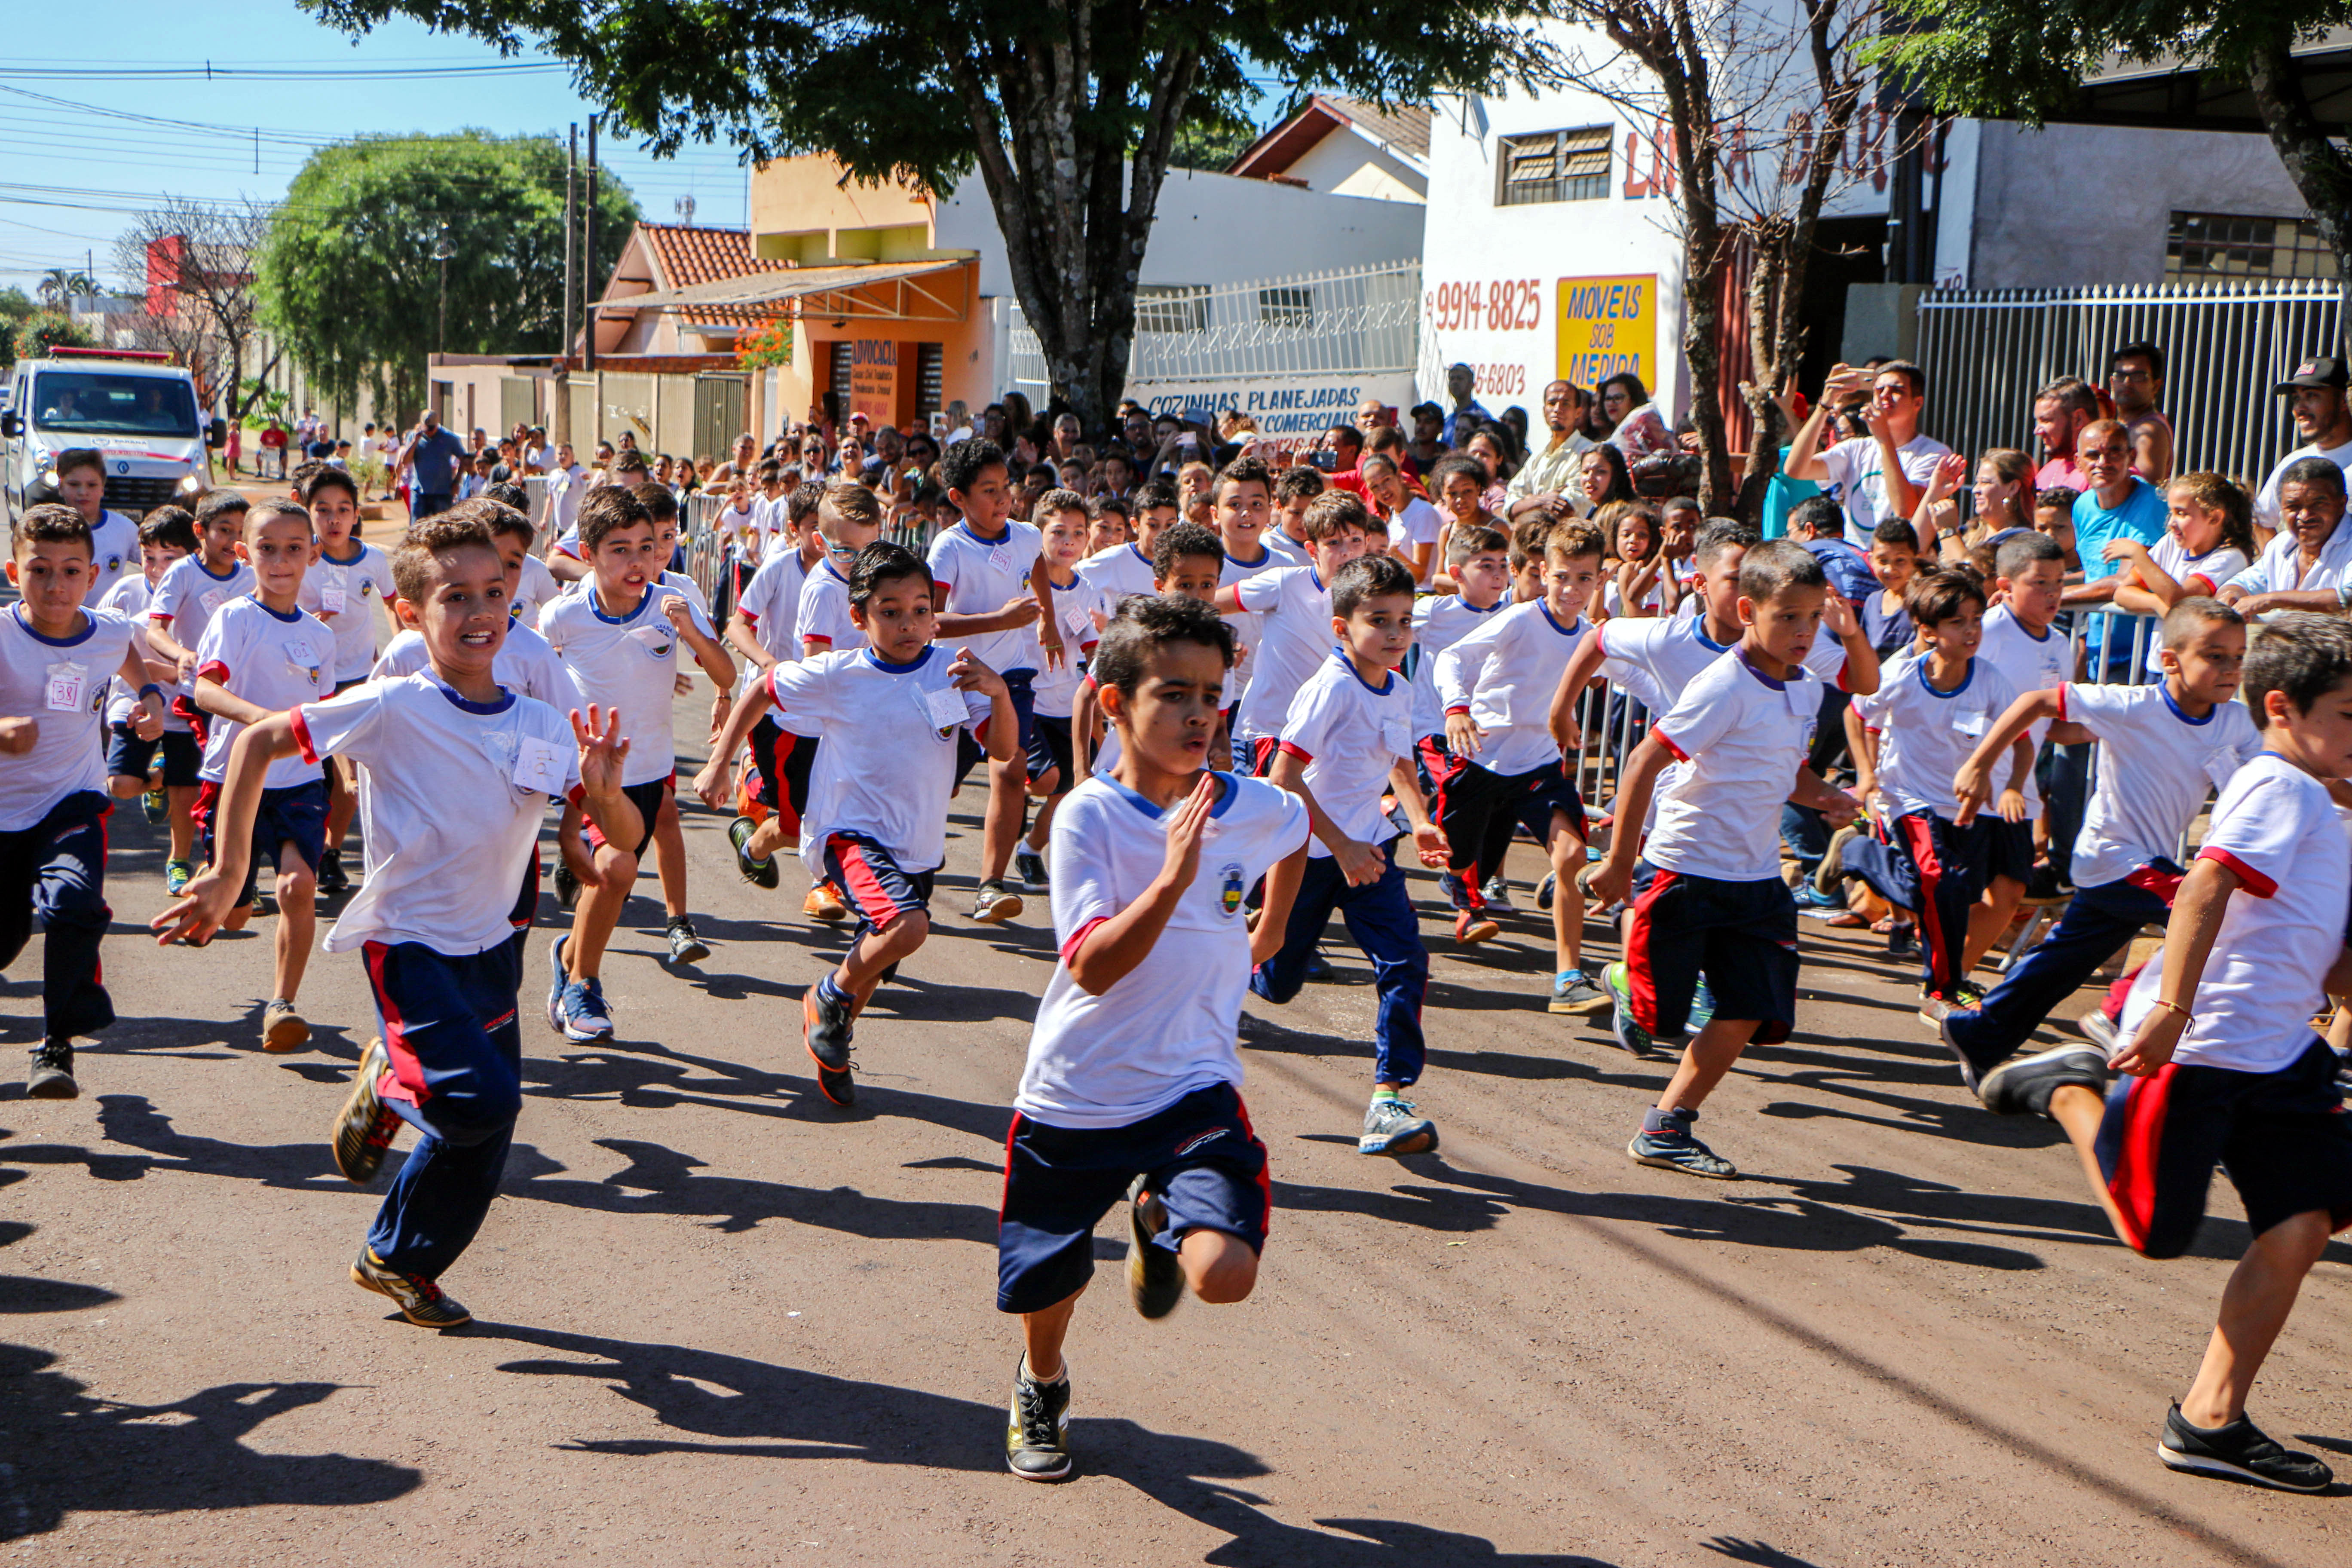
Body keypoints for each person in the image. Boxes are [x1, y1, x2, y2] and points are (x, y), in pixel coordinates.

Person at [157, 512, 640, 1330]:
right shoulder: (392, 704)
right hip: (408, 941)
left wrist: (601, 795)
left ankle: (398, 1256)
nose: (482, 609)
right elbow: (260, 741)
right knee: (478, 1102)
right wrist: (227, 867)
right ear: (412, 612)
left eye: (495, 591)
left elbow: (614, 845)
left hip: (493, 946)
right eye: (456, 596)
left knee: (488, 1124)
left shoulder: (538, 722)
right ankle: (388, 1080)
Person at [1964, 613, 2352, 1493]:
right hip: (2202, 1049)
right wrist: (2172, 1007)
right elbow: (2208, 882)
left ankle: (2210, 1421)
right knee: (2155, 1234)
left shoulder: (2325, 803)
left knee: (2305, 1221)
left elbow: (2323, 944)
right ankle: (2068, 1091)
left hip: (2281, 1057)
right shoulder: (2277, 786)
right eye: (2349, 713)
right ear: (2284, 709)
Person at [995, 594, 1307, 1483]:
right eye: (1174, 693)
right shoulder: (1088, 818)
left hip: (1192, 1089)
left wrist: (1274, 927)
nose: (1200, 714)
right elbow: (1093, 964)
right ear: (1113, 705)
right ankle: (1042, 1382)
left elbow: (1292, 829)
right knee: (1049, 1283)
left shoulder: (1243, 802)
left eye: (1212, 693)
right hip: (1079, 1093)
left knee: (1225, 1275)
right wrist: (1173, 878)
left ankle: (1161, 1220)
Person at [694, 542, 1017, 1108]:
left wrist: (1000, 693)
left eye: (920, 609)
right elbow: (763, 691)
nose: (908, 623)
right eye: (890, 611)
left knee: (879, 957)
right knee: (907, 929)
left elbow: (1005, 748)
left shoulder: (955, 671)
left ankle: (835, 1031)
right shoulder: (838, 673)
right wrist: (720, 761)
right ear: (859, 617)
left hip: (915, 846)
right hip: (847, 835)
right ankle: (826, 999)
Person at [1584, 541, 1864, 1179]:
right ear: (1747, 610)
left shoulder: (1806, 688)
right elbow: (1644, 761)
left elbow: (1783, 767)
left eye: (1813, 617)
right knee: (1662, 1019)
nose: (1803, 631)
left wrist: (1826, 796)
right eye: (1788, 616)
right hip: (1684, 870)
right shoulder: (1724, 685)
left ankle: (1667, 1126)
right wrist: (1621, 862)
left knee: (1748, 1008)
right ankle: (1628, 981)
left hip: (1758, 881)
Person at [1939, 597, 2259, 1078]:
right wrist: (1980, 763)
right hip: (2115, 860)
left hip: (2137, 866)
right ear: (2170, 660)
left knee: (2061, 966)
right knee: (2210, 916)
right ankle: (2118, 1011)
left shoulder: (2235, 722)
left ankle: (1978, 1035)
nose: (2230, 668)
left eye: (2238, 657)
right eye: (2215, 655)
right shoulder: (2134, 706)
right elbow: (2035, 702)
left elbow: (2273, 773)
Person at [1252, 553, 1448, 1152]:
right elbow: (1284, 775)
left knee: (1405, 961)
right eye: (1379, 621)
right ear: (1342, 627)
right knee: (1277, 982)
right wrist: (1340, 848)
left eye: (1405, 621)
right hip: (1308, 855)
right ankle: (1209, 969)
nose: (1395, 635)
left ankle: (1389, 1097)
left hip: (1371, 849)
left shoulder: (1399, 685)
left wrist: (1419, 823)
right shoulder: (1332, 687)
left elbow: (1399, 761)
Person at [539, 486, 733, 1040]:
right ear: (589, 553)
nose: (636, 561)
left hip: (649, 771)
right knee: (617, 868)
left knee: (614, 885)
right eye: (619, 549)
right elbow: (529, 671)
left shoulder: (673, 606)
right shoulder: (565, 614)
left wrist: (691, 632)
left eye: (646, 547)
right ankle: (583, 988)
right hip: (592, 773)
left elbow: (725, 676)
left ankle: (570, 959)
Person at [2, 505, 170, 1098]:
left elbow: (127, 652)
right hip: (3, 813)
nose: (56, 585)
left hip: (73, 800)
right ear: (13, 570)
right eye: (39, 570)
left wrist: (148, 694)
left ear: (92, 576)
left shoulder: (107, 630)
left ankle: (55, 1044)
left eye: (71, 571)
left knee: (74, 903)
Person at [1431, 520, 1609, 1012]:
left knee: (1572, 855)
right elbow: (1451, 656)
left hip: (1539, 765)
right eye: (1562, 577)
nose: (1572, 591)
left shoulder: (1593, 636)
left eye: (1585, 579)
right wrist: (1457, 708)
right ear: (1542, 573)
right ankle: (1458, 877)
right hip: (1483, 757)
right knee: (1461, 858)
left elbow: (1641, 675)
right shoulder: (1518, 619)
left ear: (1600, 581)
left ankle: (1569, 979)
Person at [1840, 570, 2031, 1012]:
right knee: (1937, 879)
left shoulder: (1990, 680)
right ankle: (1943, 984)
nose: (1972, 632)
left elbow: (2021, 741)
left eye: (1977, 620)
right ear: (1927, 631)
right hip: (1908, 798)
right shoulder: (1900, 675)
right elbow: (1857, 715)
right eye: (1958, 623)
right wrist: (1867, 777)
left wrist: (2014, 787)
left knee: (1954, 889)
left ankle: (1861, 855)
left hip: (1964, 806)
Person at [187, 498, 336, 1051]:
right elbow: (204, 689)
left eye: (294, 549)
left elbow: (323, 715)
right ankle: (229, 889)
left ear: (313, 555)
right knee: (234, 916)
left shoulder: (321, 636)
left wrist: (340, 769)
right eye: (267, 549)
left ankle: (283, 1004)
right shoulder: (236, 617)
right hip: (234, 779)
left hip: (300, 783)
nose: (280, 561)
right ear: (245, 553)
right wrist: (264, 725)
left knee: (299, 886)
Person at [926, 438, 1047, 925]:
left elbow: (1036, 564)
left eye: (1006, 488)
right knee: (938, 780)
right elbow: (928, 621)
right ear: (958, 498)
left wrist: (1052, 625)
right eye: (989, 491)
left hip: (1010, 673)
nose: (1003, 499)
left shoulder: (1025, 535)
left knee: (1011, 766)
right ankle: (915, 852)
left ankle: (990, 886)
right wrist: (999, 619)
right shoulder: (949, 547)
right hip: (948, 677)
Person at [1213, 490, 1374, 774]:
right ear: (1312, 550)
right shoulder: (1284, 583)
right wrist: (1216, 646)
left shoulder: (1376, 602)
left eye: (1355, 541)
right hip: (1268, 734)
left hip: (1329, 741)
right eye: (1334, 543)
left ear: (1368, 544)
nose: (1346, 552)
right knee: (1261, 818)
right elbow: (1210, 603)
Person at [294, 465, 396, 897]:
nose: (333, 520)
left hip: (356, 677)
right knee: (307, 775)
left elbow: (395, 605)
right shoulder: (299, 557)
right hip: (303, 680)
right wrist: (307, 625)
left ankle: (331, 852)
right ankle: (295, 850)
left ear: (357, 515)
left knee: (348, 779)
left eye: (343, 510)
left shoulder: (374, 560)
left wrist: (400, 651)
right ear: (308, 512)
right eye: (323, 510)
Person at [1016, 490, 1110, 889]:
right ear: (1039, 535)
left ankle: (1030, 850)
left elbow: (1092, 647)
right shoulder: (1023, 582)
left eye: (1078, 533)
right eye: (1058, 532)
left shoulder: (1086, 589)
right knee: (1046, 781)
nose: (1068, 541)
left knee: (1065, 791)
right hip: (1027, 695)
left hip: (1068, 701)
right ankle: (1016, 784)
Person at [99, 508, 200, 879]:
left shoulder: (201, 596)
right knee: (121, 786)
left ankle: (179, 861)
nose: (157, 568)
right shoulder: (126, 592)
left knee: (186, 789)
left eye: (169, 559)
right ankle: (155, 781)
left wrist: (167, 672)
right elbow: (97, 643)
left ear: (192, 555)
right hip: (132, 705)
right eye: (148, 557)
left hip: (186, 707)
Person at [1784, 361, 1951, 548]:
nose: (1886, 395)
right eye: (1879, 390)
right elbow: (1795, 469)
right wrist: (1825, 406)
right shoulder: (1855, 448)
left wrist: (1885, 440)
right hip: (1855, 562)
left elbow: (1905, 509)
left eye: (1897, 391)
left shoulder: (1934, 453)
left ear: (1917, 402)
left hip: (1897, 565)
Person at [2106, 473, 2257, 677]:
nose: (2171, 523)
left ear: (2214, 517)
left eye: (2182, 514)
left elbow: (2180, 600)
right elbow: (2123, 592)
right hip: (2159, 664)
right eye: (2171, 512)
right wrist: (2156, 604)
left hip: (2196, 673)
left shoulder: (2231, 557)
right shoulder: (2171, 543)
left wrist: (2138, 554)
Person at [2222, 455, 2352, 616]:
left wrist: (2271, 600)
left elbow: (2347, 599)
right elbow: (2243, 584)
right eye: (2293, 507)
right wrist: (2230, 597)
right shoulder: (2282, 544)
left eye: (2318, 504)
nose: (2305, 516)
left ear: (2341, 504)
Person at [47, 448, 140, 609]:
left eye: (92, 485)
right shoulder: (46, 530)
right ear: (61, 487)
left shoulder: (124, 528)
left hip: (105, 624)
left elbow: (157, 565)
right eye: (74, 485)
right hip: (57, 620)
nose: (83, 492)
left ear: (103, 489)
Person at [1364, 453, 1442, 588]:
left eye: (1387, 480)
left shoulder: (1424, 512)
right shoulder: (1393, 514)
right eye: (1375, 487)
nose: (1383, 491)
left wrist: (1394, 553)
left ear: (1399, 476)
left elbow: (1419, 575)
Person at [2108, 342, 2174, 485]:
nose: (2127, 383)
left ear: (2156, 386)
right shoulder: (2119, 424)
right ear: (2112, 382)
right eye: (2120, 375)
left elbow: (2145, 488)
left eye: (2138, 376)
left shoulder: (2150, 431)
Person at [2029, 377, 2099, 494]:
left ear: (2078, 419)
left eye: (2046, 420)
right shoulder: (2047, 471)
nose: (2037, 431)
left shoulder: (2105, 474)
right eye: (2038, 422)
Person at [398, 411, 467, 520]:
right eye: (427, 429)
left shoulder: (449, 438)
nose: (429, 432)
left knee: (441, 528)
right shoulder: (413, 436)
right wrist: (415, 441)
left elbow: (464, 459)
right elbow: (405, 461)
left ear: (437, 425)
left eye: (432, 429)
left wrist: (457, 481)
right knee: (417, 526)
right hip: (419, 491)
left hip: (442, 492)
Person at [1440, 362, 1495, 449]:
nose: (1455, 382)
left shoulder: (1481, 417)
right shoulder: (1448, 420)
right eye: (1452, 379)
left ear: (1472, 385)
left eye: (1460, 379)